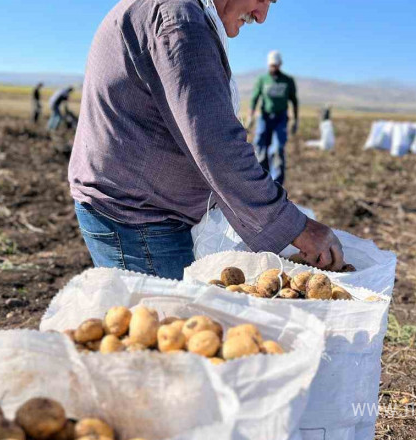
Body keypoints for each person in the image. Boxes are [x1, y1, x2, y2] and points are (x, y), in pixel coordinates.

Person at [68, 0, 344, 280]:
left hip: (143, 213)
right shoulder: (177, 20)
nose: (261, 16)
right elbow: (217, 146)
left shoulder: (181, 14)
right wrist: (297, 228)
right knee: (167, 318)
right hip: (136, 221)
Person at [249, 50, 298, 186]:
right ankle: (262, 180)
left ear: (280, 64)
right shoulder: (262, 80)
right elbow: (254, 98)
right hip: (264, 117)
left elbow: (294, 101)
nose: (273, 68)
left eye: (275, 66)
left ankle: (277, 184)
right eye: (271, 66)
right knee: (260, 146)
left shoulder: (287, 81)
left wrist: (295, 119)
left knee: (277, 149)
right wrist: (250, 117)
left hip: (280, 118)